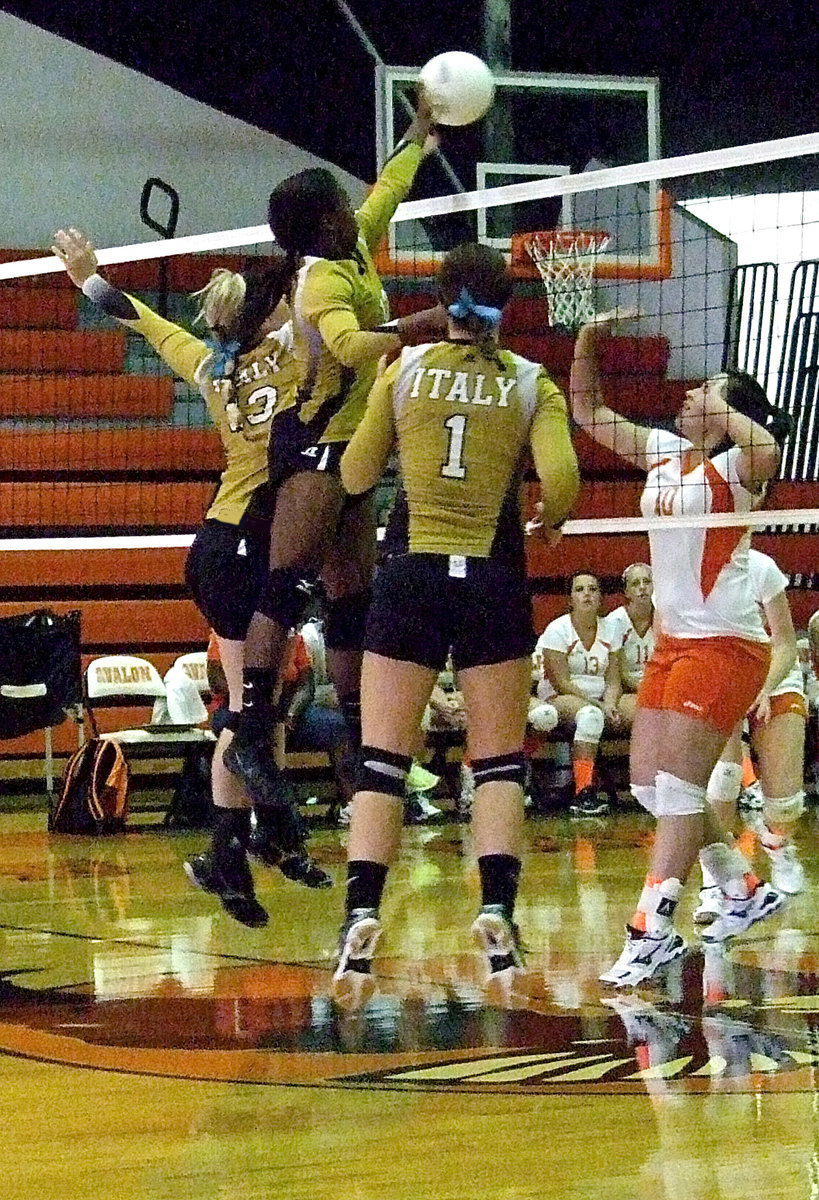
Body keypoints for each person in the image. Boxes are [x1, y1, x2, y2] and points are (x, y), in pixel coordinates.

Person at [51, 228, 329, 928]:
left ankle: (225, 857)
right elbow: (336, 322)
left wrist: (87, 275)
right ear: (266, 313)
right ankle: (274, 832)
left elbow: (138, 318)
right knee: (249, 716)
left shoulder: (212, 366)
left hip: (219, 547)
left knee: (246, 708)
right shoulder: (295, 354)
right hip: (248, 547)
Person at [330, 241, 580, 993]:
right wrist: (551, 520)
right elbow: (561, 482)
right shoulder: (532, 382)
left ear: (442, 298)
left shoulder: (402, 369)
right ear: (507, 302)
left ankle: (360, 920)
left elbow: (355, 474)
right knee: (499, 761)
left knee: (382, 760)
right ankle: (497, 910)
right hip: (493, 576)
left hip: (409, 574)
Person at [224, 97, 447, 810]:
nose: (356, 209)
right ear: (325, 220)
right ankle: (252, 730)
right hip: (314, 440)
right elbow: (351, 348)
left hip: (354, 448)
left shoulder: (349, 246)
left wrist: (416, 139)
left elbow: (385, 194)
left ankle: (357, 749)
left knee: (353, 598)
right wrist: (424, 322)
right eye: (342, 205)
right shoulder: (318, 278)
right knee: (287, 583)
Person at [571, 308, 790, 987]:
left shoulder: (737, 467)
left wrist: (728, 405)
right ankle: (740, 884)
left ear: (727, 412)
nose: (689, 393)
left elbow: (769, 449)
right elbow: (586, 409)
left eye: (707, 390)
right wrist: (585, 341)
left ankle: (650, 928)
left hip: (725, 645)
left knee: (675, 789)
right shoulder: (663, 453)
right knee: (646, 787)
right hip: (673, 646)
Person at [698, 542, 807, 907]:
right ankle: (715, 883)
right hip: (717, 680)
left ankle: (778, 847)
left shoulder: (761, 567)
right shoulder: (685, 571)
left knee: (786, 804)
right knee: (721, 781)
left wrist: (762, 689)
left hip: (773, 677)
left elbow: (786, 646)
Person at [532, 572, 623, 818]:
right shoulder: (558, 629)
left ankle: (646, 787)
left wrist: (611, 703)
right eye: (580, 589)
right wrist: (599, 704)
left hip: (600, 698)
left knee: (643, 713)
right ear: (570, 598)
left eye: (593, 589)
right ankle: (584, 793)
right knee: (591, 716)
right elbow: (560, 682)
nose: (587, 594)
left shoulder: (611, 629)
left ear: (601, 597)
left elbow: (614, 679)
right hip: (560, 698)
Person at [606, 561, 655, 727]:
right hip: (627, 691)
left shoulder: (665, 618)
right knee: (650, 716)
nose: (642, 587)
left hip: (660, 688)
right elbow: (617, 672)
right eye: (635, 584)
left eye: (647, 582)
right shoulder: (615, 621)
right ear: (627, 592)